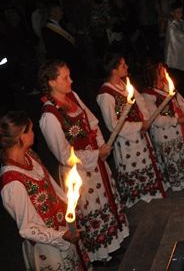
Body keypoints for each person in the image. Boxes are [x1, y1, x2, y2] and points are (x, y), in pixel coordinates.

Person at [38, 60, 129, 263]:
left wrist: (101, 146)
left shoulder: (73, 96)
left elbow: (92, 122)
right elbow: (63, 155)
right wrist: (95, 154)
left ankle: (112, 242)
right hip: (79, 171)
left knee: (105, 200)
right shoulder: (49, 116)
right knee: (91, 209)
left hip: (96, 160)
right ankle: (100, 254)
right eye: (65, 78)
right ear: (52, 82)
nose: (71, 80)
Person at [1, 111, 89, 270]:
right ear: (22, 136)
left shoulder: (30, 155)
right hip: (47, 245)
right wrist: (60, 236)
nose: (34, 133)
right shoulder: (12, 183)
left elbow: (50, 184)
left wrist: (68, 202)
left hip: (62, 228)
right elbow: (27, 227)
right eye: (31, 130)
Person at [96, 53, 166, 208]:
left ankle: (151, 191)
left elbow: (140, 100)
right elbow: (113, 125)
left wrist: (146, 120)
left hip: (141, 135)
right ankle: (138, 197)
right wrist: (139, 126)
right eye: (123, 65)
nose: (127, 67)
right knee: (133, 167)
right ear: (113, 70)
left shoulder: (124, 83)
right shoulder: (106, 95)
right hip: (126, 142)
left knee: (147, 163)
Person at [141, 60, 184, 191]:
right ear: (154, 73)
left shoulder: (168, 84)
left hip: (178, 129)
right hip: (165, 134)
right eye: (161, 69)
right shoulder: (148, 95)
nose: (165, 71)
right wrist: (175, 121)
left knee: (182, 154)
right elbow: (155, 119)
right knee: (172, 156)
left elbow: (179, 100)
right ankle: (177, 181)